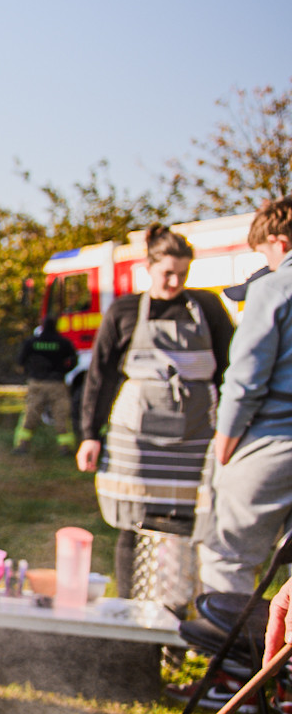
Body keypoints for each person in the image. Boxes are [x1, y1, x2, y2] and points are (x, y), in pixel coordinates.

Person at [75, 224, 234, 537]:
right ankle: (132, 587)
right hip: (136, 436)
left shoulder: (207, 308)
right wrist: (89, 434)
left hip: (197, 433)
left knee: (194, 520)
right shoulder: (125, 310)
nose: (175, 282)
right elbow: (100, 377)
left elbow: (229, 370)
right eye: (167, 274)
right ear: (148, 267)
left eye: (183, 274)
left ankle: (185, 585)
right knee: (133, 518)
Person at [192, 199, 292, 666]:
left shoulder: (274, 288)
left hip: (272, 443)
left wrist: (226, 443)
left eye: (264, 253)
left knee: (228, 557)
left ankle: (237, 677)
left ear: (278, 240)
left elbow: (246, 377)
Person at [14, 317, 78, 453]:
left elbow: (20, 361)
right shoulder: (63, 343)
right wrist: (63, 371)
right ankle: (65, 448)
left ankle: (22, 445)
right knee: (61, 416)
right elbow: (73, 360)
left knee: (30, 415)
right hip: (56, 384)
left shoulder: (31, 342)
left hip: (36, 383)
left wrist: (30, 373)